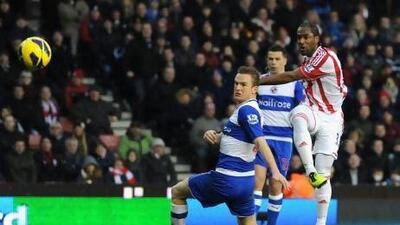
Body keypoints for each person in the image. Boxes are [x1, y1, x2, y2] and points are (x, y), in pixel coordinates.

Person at [171, 66, 289, 225]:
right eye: (236, 83)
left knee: (177, 192)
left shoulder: (246, 111)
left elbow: (260, 141)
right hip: (246, 183)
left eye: (243, 85)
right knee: (247, 221)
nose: (238, 88)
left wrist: (275, 171)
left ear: (254, 89)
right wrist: (216, 135)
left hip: (226, 179)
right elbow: (239, 137)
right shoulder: (249, 109)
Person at [259, 21, 347, 225]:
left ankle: (321, 222)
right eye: (299, 37)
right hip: (313, 110)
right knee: (297, 114)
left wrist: (259, 80)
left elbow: (292, 76)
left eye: (306, 36)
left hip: (332, 118)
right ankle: (310, 171)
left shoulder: (324, 57)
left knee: (325, 173)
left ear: (317, 39)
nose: (301, 41)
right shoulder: (310, 58)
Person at [253, 45, 304, 225]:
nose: (273, 62)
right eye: (270, 59)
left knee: (276, 185)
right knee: (256, 181)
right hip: (262, 138)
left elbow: (302, 111)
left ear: (284, 61)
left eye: (276, 59)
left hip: (283, 141)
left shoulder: (294, 83)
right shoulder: (259, 82)